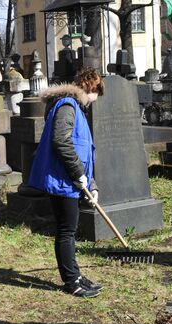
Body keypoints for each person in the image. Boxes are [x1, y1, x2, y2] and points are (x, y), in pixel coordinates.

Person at [28, 67, 104, 298]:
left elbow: (82, 150)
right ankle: (72, 281)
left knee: (69, 230)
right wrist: (78, 174)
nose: (94, 101)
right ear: (91, 88)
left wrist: (91, 185)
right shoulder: (68, 107)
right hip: (62, 181)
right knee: (66, 231)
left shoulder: (74, 108)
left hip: (70, 180)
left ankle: (76, 275)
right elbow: (62, 142)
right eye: (95, 95)